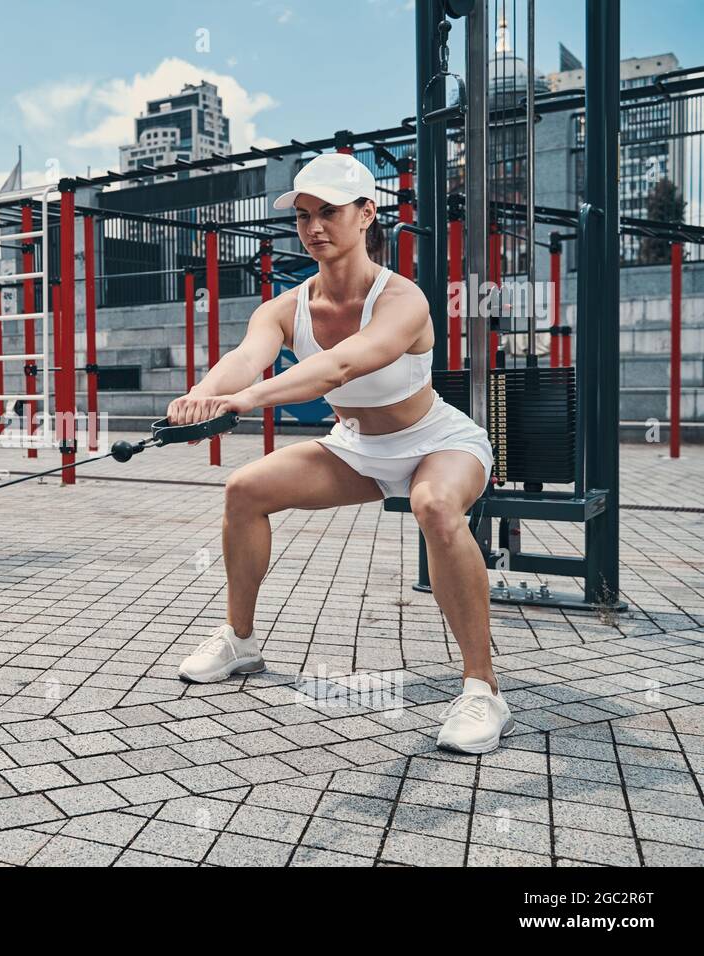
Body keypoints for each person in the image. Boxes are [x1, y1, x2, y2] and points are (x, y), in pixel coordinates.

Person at [168, 152, 512, 755]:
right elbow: (246, 358)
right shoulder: (284, 307)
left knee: (434, 507)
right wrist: (201, 396)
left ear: (366, 214)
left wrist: (244, 401)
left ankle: (482, 689)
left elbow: (341, 365)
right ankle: (240, 641)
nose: (314, 227)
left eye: (329, 211)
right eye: (303, 216)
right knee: (244, 491)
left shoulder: (404, 298)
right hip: (358, 448)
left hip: (438, 442)